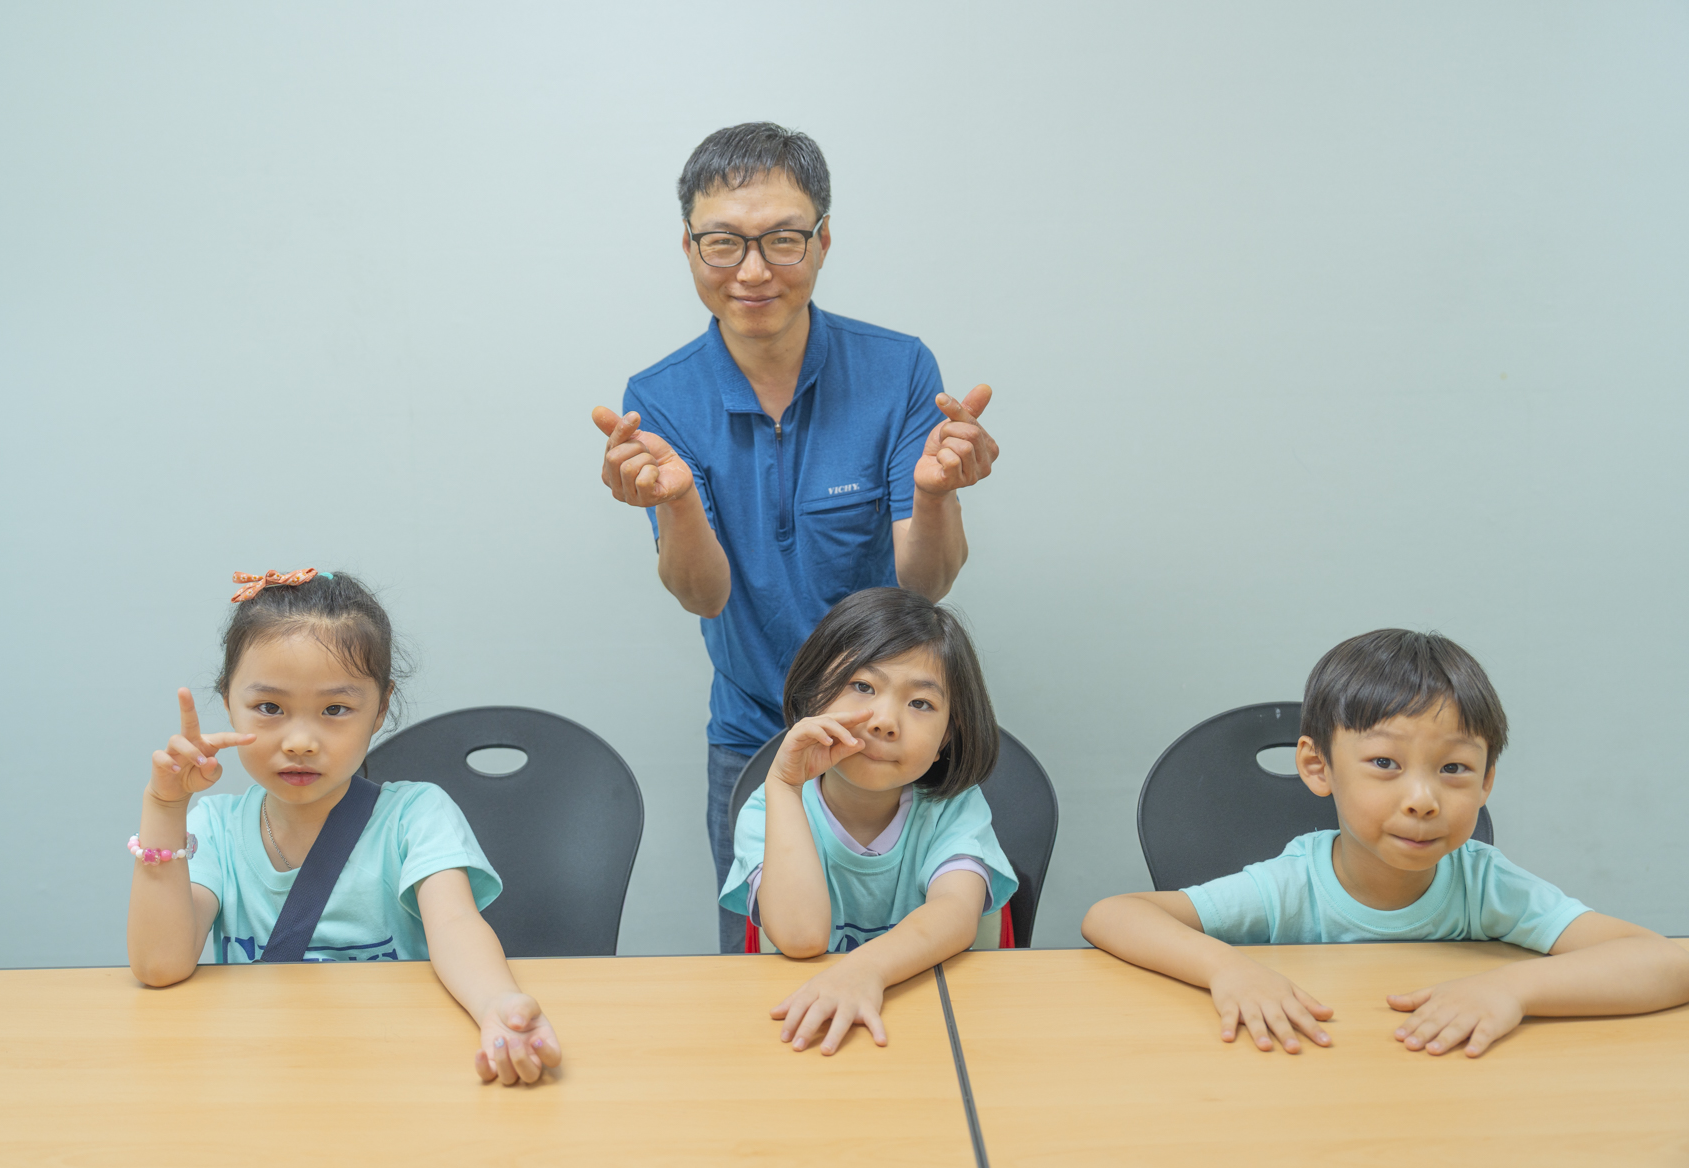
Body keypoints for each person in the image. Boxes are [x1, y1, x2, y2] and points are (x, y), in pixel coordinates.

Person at [591, 122, 1002, 953]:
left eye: (782, 239)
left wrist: (934, 495)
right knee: (760, 960)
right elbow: (704, 595)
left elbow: (924, 587)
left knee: (917, 951)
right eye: (723, 242)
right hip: (753, 728)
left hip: (884, 720)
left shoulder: (897, 370)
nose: (753, 271)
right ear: (688, 246)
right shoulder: (660, 395)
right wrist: (678, 502)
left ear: (822, 240)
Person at [1082, 628, 1689, 1058]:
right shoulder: (1292, 886)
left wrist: (1512, 989)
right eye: (1384, 763)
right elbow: (1113, 914)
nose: (1422, 799)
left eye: (1454, 769)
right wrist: (1229, 970)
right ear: (1317, 767)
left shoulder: (1484, 885)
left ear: (1486, 782)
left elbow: (1667, 962)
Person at [126, 569, 563, 1086]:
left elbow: (454, 925)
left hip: (393, 1072)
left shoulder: (417, 816)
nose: (300, 741)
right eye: (269, 708)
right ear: (228, 703)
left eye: (335, 709)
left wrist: (497, 1002)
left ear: (379, 709)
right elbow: (159, 966)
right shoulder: (214, 828)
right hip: (260, 1076)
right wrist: (165, 806)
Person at [719, 587, 1016, 1055]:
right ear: (814, 695)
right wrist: (783, 787)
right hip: (809, 1031)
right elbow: (801, 938)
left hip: (938, 1027)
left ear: (947, 737)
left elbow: (957, 914)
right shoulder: (769, 810)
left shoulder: (954, 807)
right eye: (862, 686)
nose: (884, 721)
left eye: (920, 703)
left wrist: (864, 970)